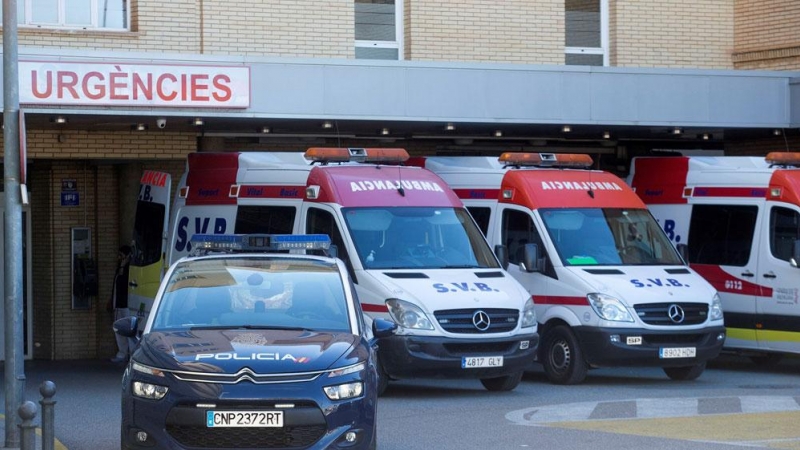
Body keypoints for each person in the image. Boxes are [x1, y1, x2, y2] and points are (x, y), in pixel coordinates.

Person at [110, 245, 133, 363]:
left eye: (121, 255)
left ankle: (128, 353)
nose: (119, 258)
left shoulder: (129, 268)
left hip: (126, 303)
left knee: (128, 329)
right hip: (118, 304)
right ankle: (122, 352)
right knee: (118, 330)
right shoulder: (120, 267)